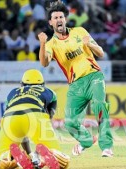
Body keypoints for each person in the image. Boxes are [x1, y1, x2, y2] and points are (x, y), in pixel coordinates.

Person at [38, 1, 113, 157]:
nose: (59, 19)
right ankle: (86, 141)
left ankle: (106, 147)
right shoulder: (51, 44)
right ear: (50, 22)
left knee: (100, 105)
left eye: (61, 16)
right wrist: (43, 44)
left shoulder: (79, 31)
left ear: (65, 19)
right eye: (55, 17)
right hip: (75, 85)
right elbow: (44, 63)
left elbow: (101, 53)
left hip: (94, 76)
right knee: (70, 122)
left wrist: (90, 45)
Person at [0, 69, 70, 169]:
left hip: (9, 118)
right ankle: (41, 160)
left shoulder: (12, 92)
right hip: (35, 114)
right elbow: (48, 118)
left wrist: (29, 153)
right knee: (61, 160)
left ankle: (10, 158)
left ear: (22, 84)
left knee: (3, 159)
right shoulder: (49, 92)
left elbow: (19, 126)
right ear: (43, 84)